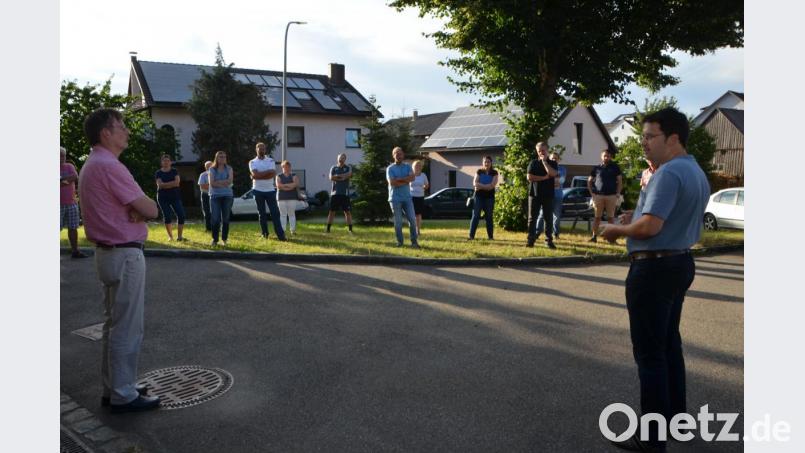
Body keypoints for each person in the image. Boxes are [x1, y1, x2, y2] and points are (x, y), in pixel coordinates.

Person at [600, 108, 710, 452]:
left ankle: (652, 438)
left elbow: (651, 228)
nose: (644, 144)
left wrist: (616, 229)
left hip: (654, 269)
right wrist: (637, 216)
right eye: (643, 137)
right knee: (668, 347)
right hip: (679, 263)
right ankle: (676, 422)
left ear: (673, 138)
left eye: (650, 137)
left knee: (650, 355)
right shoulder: (695, 171)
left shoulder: (668, 173)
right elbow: (660, 217)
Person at [77, 108, 161, 413]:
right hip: (125, 253)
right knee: (127, 327)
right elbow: (151, 209)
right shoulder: (110, 166)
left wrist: (136, 209)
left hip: (109, 252)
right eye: (121, 126)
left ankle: (114, 388)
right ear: (106, 134)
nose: (126, 131)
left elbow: (138, 208)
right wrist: (141, 210)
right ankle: (123, 394)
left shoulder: (92, 163)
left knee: (114, 324)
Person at [249, 142, 286, 241]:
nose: (261, 150)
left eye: (263, 148)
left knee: (275, 213)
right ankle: (265, 233)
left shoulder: (270, 160)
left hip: (270, 190)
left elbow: (271, 175)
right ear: (256, 150)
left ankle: (281, 235)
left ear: (265, 150)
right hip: (257, 190)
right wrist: (264, 173)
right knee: (262, 214)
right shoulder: (252, 162)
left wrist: (257, 176)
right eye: (259, 148)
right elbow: (256, 174)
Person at [526, 142, 558, 249]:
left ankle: (548, 241)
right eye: (539, 151)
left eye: (543, 150)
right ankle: (530, 240)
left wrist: (545, 163)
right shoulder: (533, 163)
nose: (541, 153)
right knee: (532, 218)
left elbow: (553, 173)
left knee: (548, 218)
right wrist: (543, 178)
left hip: (548, 195)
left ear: (547, 150)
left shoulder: (552, 163)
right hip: (534, 194)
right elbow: (529, 177)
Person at [386, 147, 419, 248]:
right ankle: (400, 242)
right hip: (395, 199)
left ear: (403, 155)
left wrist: (399, 180)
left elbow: (412, 178)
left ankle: (414, 242)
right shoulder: (390, 169)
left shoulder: (408, 167)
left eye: (400, 153)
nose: (398, 155)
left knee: (413, 221)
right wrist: (406, 180)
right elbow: (392, 183)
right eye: (396, 153)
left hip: (407, 198)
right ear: (393, 156)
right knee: (398, 222)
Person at [588, 149, 622, 242]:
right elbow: (589, 181)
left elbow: (620, 181)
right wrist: (592, 194)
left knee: (611, 218)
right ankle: (594, 237)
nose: (606, 157)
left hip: (611, 196)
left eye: (608, 156)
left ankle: (611, 239)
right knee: (597, 217)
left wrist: (618, 193)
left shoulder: (615, 167)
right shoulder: (597, 168)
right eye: (604, 156)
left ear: (610, 157)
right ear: (601, 157)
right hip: (598, 196)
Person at [60, 146, 88, 258]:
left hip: (71, 203)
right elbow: (69, 179)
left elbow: (75, 177)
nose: (61, 157)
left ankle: (75, 251)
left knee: (73, 227)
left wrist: (61, 181)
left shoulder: (69, 166)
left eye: (63, 155)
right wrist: (66, 180)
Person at [155, 154, 186, 241]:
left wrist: (165, 185)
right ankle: (170, 237)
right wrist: (171, 184)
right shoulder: (158, 173)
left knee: (181, 215)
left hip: (175, 196)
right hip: (163, 197)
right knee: (167, 216)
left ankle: (179, 237)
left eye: (168, 161)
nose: (166, 162)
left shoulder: (174, 171)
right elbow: (160, 185)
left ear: (170, 162)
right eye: (164, 161)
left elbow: (177, 183)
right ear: (161, 162)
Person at [535, 152, 566, 239]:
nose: (554, 160)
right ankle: (537, 232)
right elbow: (544, 181)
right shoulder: (546, 167)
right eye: (552, 158)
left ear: (559, 160)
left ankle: (556, 233)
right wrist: (554, 178)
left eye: (555, 158)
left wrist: (550, 178)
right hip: (547, 195)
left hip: (558, 196)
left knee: (557, 216)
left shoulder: (562, 169)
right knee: (542, 214)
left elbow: (561, 181)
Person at [468, 155, 498, 240]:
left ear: (491, 163)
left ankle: (490, 237)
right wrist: (486, 186)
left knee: (489, 217)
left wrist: (480, 186)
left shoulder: (494, 173)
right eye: (485, 162)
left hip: (489, 198)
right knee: (475, 216)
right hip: (478, 197)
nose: (486, 163)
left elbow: (492, 186)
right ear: (482, 163)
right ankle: (471, 236)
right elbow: (474, 183)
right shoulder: (479, 171)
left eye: (488, 162)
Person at [208, 151, 234, 246]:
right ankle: (215, 239)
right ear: (216, 158)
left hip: (227, 196)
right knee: (215, 219)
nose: (222, 158)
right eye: (220, 157)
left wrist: (218, 182)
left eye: (224, 157)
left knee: (226, 218)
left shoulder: (229, 168)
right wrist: (224, 183)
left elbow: (230, 181)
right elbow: (212, 184)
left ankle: (225, 239)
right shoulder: (212, 169)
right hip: (215, 197)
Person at [327, 153, 354, 233]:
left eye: (342, 158)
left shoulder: (348, 167)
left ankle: (350, 230)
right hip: (334, 194)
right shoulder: (333, 167)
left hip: (345, 194)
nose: (340, 159)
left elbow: (349, 175)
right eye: (339, 158)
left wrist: (337, 177)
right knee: (331, 212)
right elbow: (331, 177)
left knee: (347, 212)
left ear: (345, 159)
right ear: (337, 158)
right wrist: (342, 177)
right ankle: (328, 229)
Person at [276, 160, 301, 235]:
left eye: (288, 166)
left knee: (291, 214)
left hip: (292, 198)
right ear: (282, 167)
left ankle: (292, 230)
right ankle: (283, 230)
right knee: (283, 214)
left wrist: (284, 186)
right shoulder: (278, 176)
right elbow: (278, 185)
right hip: (281, 198)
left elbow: (296, 184)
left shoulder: (294, 175)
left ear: (290, 167)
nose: (287, 168)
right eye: (285, 166)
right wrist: (290, 186)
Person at [409, 160, 429, 236]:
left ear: (421, 167)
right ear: (413, 167)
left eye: (419, 166)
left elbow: (427, 185)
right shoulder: (410, 175)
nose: (417, 167)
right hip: (411, 197)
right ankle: (412, 230)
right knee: (411, 214)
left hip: (420, 197)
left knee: (418, 215)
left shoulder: (423, 175)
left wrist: (423, 188)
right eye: (416, 166)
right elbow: (406, 185)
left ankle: (418, 230)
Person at [197, 160, 213, 231]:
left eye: (210, 166)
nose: (209, 167)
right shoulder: (203, 175)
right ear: (205, 167)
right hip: (205, 195)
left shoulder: (216, 174)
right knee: (206, 212)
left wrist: (210, 185)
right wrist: (213, 185)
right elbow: (202, 186)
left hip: (214, 194)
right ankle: (208, 228)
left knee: (215, 211)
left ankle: (216, 227)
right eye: (207, 166)